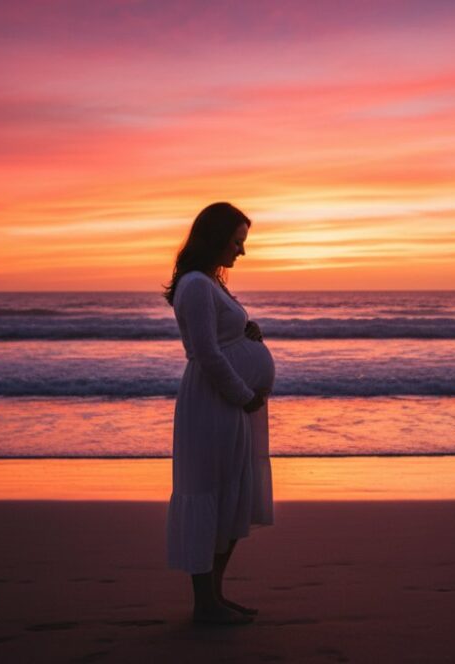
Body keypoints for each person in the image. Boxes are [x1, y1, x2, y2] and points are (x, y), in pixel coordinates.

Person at [163, 202, 274, 626]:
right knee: (209, 493)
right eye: (237, 242)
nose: (241, 252)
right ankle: (205, 604)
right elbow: (206, 353)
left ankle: (216, 597)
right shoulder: (194, 285)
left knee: (231, 494)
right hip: (213, 403)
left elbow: (221, 339)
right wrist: (243, 394)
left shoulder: (210, 283)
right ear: (216, 238)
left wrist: (249, 334)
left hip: (229, 402)